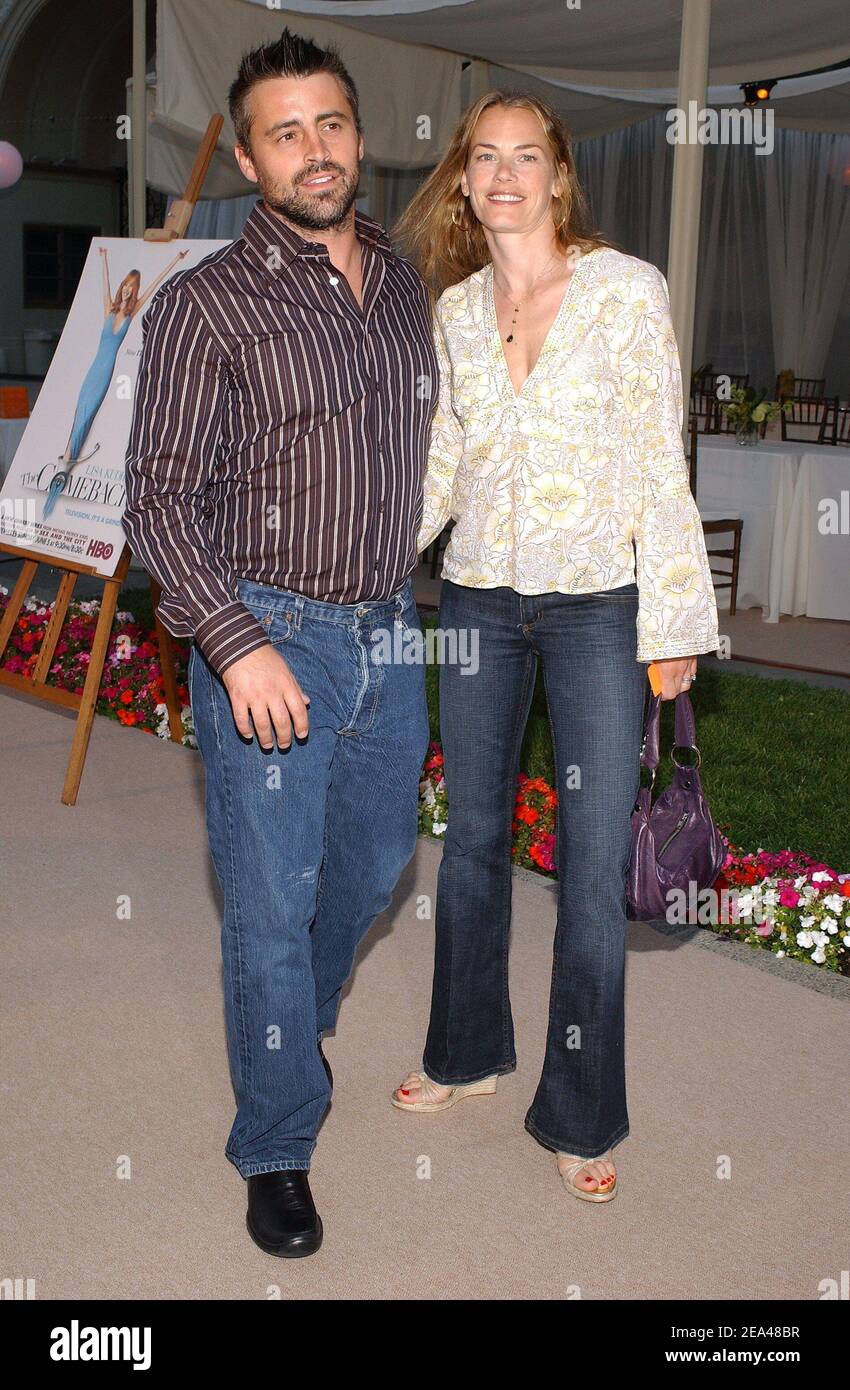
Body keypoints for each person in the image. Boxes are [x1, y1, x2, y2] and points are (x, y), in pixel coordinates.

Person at [123, 28, 436, 1256]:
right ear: (250, 161)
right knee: (268, 900)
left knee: (368, 874)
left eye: (332, 124)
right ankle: (275, 1142)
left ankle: (290, 1014)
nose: (315, 150)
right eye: (285, 132)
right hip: (270, 631)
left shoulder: (405, 279)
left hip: (390, 632)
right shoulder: (206, 303)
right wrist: (237, 641)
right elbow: (158, 498)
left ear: (358, 136)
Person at [389, 91, 720, 1203]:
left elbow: (656, 460)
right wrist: (375, 564)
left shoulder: (626, 292)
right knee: (472, 837)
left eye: (526, 157)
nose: (505, 176)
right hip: (479, 597)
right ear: (466, 178)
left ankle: (580, 1112)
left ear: (559, 176)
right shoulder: (457, 309)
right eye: (485, 158)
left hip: (596, 605)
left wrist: (673, 624)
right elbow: (442, 461)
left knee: (586, 860)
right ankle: (466, 1052)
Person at [43, 249, 188, 518]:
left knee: (88, 416)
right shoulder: (109, 307)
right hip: (92, 370)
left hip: (106, 372)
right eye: (125, 286)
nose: (126, 292)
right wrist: (104, 259)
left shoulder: (132, 313)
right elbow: (106, 283)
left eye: (131, 289)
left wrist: (176, 261)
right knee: (79, 413)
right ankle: (64, 465)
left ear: (134, 291)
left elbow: (157, 283)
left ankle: (65, 467)